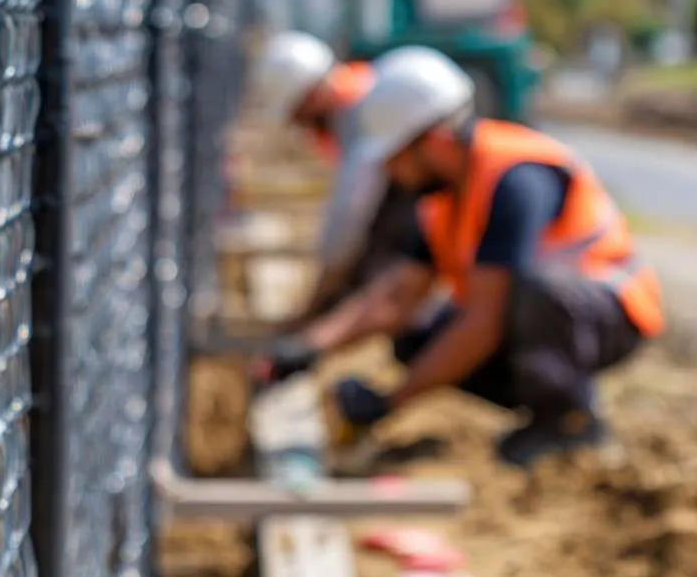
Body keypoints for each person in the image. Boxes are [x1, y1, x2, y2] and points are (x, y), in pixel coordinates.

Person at [287, 46, 664, 468]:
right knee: (417, 337)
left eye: (395, 158)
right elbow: (397, 297)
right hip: (551, 315)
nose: (391, 174)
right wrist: (308, 347)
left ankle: (569, 421)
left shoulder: (515, 180)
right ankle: (541, 402)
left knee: (531, 295)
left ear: (433, 142)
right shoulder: (441, 198)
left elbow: (484, 320)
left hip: (610, 312)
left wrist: (390, 403)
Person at [243, 33, 421, 380]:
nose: (300, 124)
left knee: (371, 261)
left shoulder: (357, 114)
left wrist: (313, 306)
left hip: (411, 221)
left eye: (298, 112)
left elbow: (349, 219)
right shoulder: (362, 94)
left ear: (311, 94)